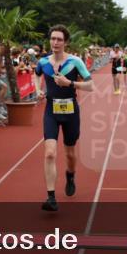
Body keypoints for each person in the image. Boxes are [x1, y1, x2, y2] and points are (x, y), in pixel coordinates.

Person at [34, 25, 93, 212]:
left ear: (66, 42)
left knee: (69, 152)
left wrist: (70, 83)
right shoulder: (43, 62)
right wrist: (37, 89)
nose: (55, 42)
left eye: (59, 39)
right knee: (50, 152)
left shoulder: (75, 62)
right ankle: (51, 197)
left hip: (70, 112)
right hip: (51, 110)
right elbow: (36, 76)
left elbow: (91, 85)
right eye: (53, 39)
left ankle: (70, 175)